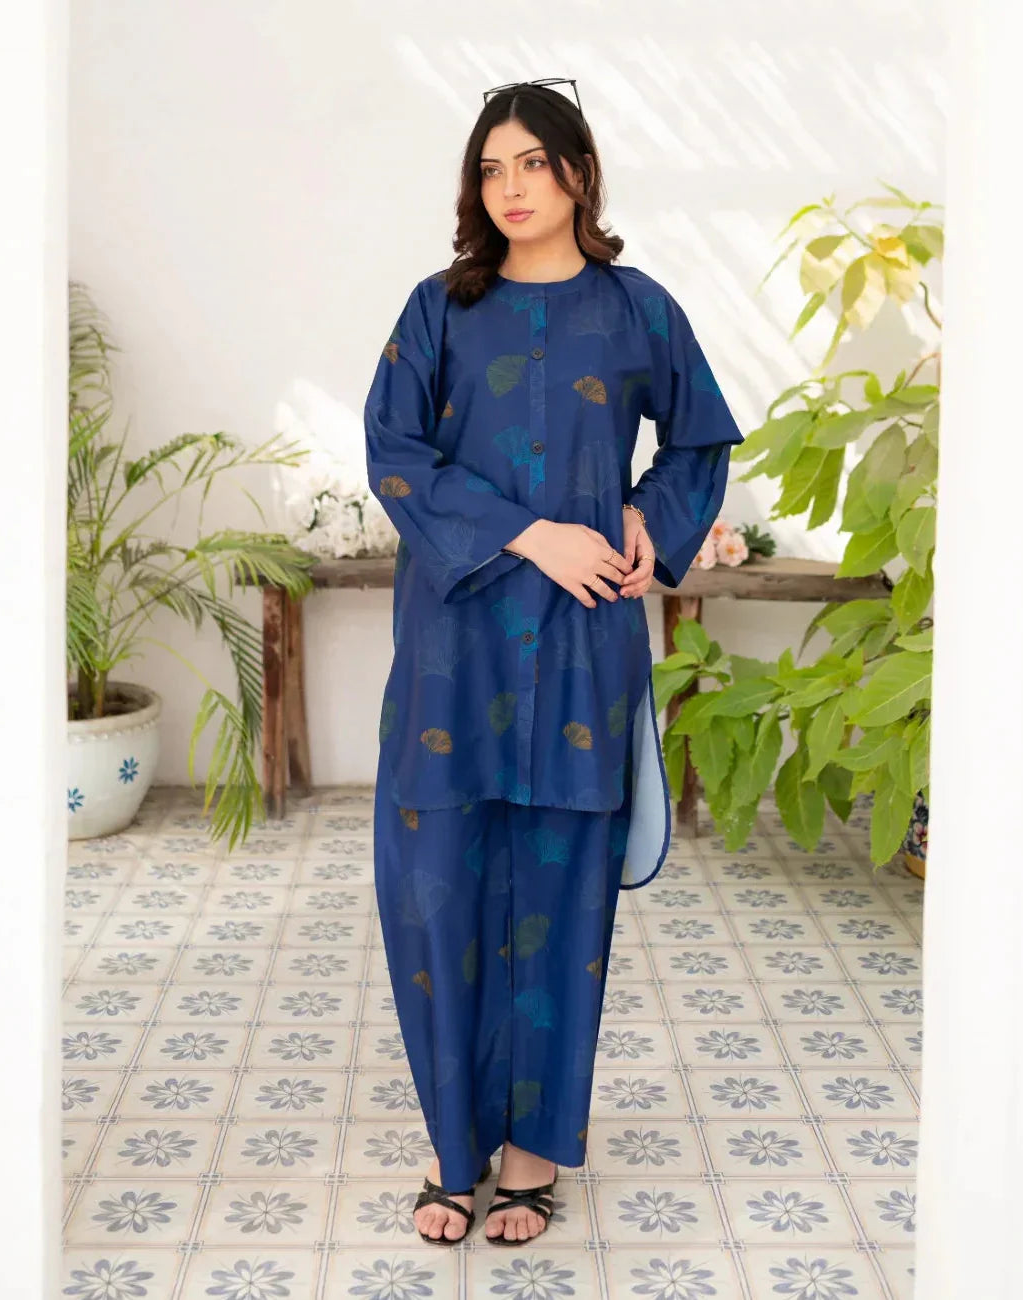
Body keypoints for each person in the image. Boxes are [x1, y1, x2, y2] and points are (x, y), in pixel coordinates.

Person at [362, 78, 744, 1246]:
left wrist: (644, 521)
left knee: (560, 895)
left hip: (580, 650)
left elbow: (699, 440)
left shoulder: (636, 310)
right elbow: (392, 452)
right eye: (491, 168)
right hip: (454, 650)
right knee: (435, 893)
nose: (511, 187)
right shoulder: (439, 309)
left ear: (579, 172)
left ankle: (530, 1155)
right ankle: (454, 1151)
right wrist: (533, 531)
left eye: (532, 162)